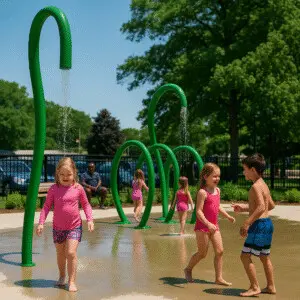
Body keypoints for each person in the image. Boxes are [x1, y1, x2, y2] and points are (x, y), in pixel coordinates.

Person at [36, 157, 94, 292]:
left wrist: (89, 219)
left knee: (70, 252)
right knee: (60, 254)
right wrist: (41, 223)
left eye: (68, 174)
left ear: (74, 173)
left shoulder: (78, 188)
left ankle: (71, 281)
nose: (65, 177)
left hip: (74, 226)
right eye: (62, 174)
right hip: (58, 228)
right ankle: (62, 276)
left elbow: (86, 205)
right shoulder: (54, 189)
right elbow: (46, 207)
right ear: (57, 174)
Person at [232, 153, 276, 297]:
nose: (243, 172)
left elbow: (261, 207)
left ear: (252, 169)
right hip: (267, 224)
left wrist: (246, 223)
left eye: (244, 169)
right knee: (264, 257)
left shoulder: (255, 187)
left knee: (245, 256)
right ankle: (271, 286)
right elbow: (270, 205)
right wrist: (244, 208)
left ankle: (255, 287)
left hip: (259, 226)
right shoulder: (263, 184)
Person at [184, 163, 235, 285]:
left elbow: (217, 206)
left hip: (214, 226)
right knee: (202, 254)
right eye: (214, 176)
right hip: (202, 227)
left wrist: (227, 216)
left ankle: (218, 278)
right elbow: (198, 211)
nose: (217, 178)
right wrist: (207, 224)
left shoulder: (217, 190)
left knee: (220, 251)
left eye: (218, 176)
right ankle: (188, 269)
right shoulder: (202, 192)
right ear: (206, 176)